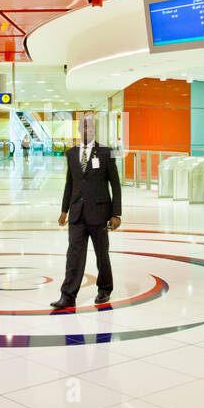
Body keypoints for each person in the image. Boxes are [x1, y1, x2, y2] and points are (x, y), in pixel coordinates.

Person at [52, 116, 121, 309]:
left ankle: (105, 289)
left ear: (94, 130)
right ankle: (67, 295)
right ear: (79, 131)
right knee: (73, 255)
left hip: (99, 212)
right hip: (77, 213)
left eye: (90, 126)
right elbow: (70, 183)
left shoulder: (107, 152)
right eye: (83, 127)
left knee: (102, 254)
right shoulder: (71, 153)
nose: (87, 130)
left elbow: (115, 184)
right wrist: (64, 210)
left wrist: (117, 213)